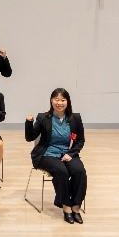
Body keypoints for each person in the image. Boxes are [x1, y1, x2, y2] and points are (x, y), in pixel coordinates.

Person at [25, 88, 87, 224]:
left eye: (63, 100)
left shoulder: (75, 118)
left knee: (79, 171)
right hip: (46, 154)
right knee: (61, 171)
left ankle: (76, 206)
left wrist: (71, 154)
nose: (59, 103)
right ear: (51, 101)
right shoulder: (43, 117)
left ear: (68, 102)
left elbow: (80, 141)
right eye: (56, 99)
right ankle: (66, 207)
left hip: (68, 153)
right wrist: (29, 122)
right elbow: (30, 137)